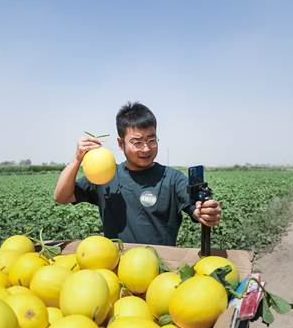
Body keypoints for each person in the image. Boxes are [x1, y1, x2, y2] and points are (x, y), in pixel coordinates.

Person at [53, 102, 221, 246]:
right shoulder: (106, 176)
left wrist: (205, 212)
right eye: (137, 142)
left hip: (160, 270)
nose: (146, 148)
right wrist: (77, 159)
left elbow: (197, 207)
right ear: (121, 143)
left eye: (151, 140)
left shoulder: (172, 178)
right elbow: (61, 196)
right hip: (116, 267)